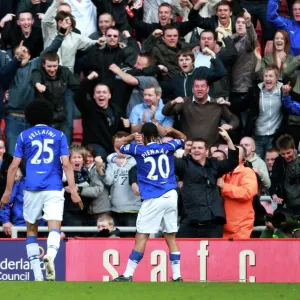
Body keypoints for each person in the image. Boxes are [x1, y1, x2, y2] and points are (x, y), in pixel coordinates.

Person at [0, 100, 82, 281]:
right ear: (49, 116)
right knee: (54, 226)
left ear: (29, 116)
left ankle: (37, 276)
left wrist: (7, 192)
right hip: (53, 187)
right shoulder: (59, 135)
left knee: (31, 230)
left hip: (31, 188)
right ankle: (50, 256)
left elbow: (13, 167)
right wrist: (74, 191)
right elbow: (67, 164)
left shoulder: (24, 136)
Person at [113, 124, 187, 282]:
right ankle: (177, 275)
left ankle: (127, 274)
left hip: (154, 197)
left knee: (141, 236)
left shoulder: (139, 150)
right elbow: (184, 139)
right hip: (171, 194)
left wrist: (132, 137)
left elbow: (117, 145)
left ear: (144, 136)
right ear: (156, 135)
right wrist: (172, 131)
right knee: (170, 236)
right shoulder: (168, 146)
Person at [175, 127, 238, 238]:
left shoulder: (214, 164)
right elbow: (166, 160)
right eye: (193, 148)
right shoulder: (184, 164)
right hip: (190, 221)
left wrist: (228, 140)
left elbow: (232, 162)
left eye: (200, 148)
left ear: (207, 151)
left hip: (213, 222)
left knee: (214, 254)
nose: (196, 150)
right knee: (182, 252)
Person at [162, 78, 239, 147]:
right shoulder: (184, 102)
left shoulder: (217, 103)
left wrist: (230, 126)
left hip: (212, 149)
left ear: (208, 89)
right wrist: (173, 101)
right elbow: (165, 112)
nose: (200, 89)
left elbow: (234, 119)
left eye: (203, 86)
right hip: (190, 148)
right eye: (197, 86)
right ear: (192, 89)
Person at [217, 145, 258, 238]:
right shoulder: (222, 173)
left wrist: (224, 186)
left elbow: (247, 192)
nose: (232, 155)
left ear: (243, 158)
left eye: (236, 153)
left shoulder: (247, 172)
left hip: (240, 227)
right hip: (222, 226)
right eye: (230, 153)